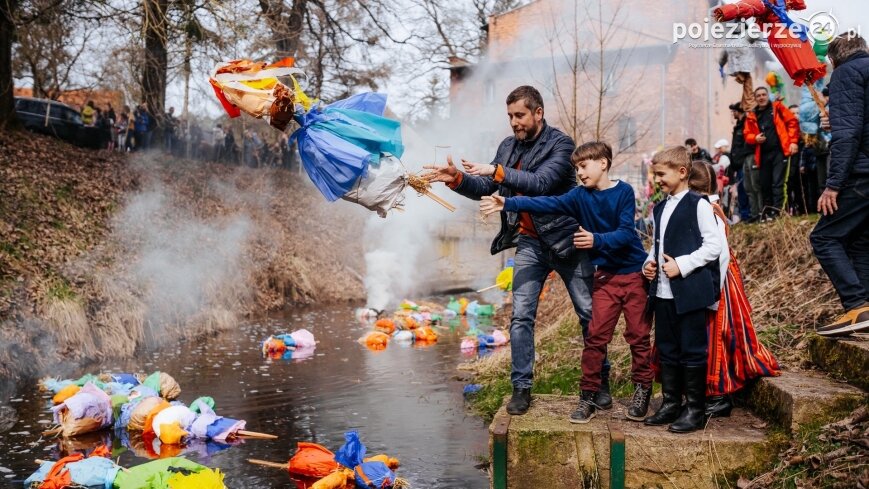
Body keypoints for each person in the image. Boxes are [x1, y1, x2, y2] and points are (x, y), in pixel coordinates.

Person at [423, 85, 601, 416]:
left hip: (568, 241)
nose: (514, 123)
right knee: (520, 317)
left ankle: (599, 383)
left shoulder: (561, 145)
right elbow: (489, 187)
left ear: (538, 113)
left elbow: (541, 183)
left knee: (588, 315)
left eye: (519, 115)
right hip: (530, 243)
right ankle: (521, 388)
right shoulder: (508, 146)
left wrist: (497, 171)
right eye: (510, 117)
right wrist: (458, 179)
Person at [480, 141, 653, 424]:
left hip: (633, 273)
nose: (580, 173)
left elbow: (625, 233)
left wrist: (596, 240)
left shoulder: (624, 192)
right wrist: (507, 202)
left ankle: (642, 389)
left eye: (584, 166)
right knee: (595, 336)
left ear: (603, 163)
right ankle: (588, 396)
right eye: (576, 168)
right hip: (606, 277)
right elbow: (547, 202)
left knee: (637, 335)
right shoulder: (578, 196)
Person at [687, 162, 781, 417]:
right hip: (706, 280)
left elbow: (721, 254)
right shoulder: (705, 207)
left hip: (716, 284)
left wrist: (714, 294)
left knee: (717, 337)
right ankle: (702, 393)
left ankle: (718, 395)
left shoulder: (708, 210)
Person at [642, 146, 722, 433]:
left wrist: (682, 264)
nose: (657, 180)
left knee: (692, 350)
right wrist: (648, 264)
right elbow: (657, 245)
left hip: (689, 292)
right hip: (663, 293)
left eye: (661, 174)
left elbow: (713, 246)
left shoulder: (699, 205)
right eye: (655, 174)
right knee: (667, 349)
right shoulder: (660, 208)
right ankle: (671, 403)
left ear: (682, 172)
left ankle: (695, 410)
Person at [810, 33, 869, 336]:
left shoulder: (845, 73)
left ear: (832, 60)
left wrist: (833, 185)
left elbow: (849, 135)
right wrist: (838, 119)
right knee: (860, 241)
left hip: (861, 176)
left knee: (824, 238)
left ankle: (856, 303)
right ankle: (865, 309)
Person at [744, 86, 800, 220]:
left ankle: (778, 212)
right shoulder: (752, 115)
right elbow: (747, 134)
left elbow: (792, 121)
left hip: (779, 152)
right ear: (755, 98)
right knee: (764, 184)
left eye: (764, 94)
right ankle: (767, 212)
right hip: (762, 154)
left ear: (767, 95)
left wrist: (793, 141)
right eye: (758, 96)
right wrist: (755, 138)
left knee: (778, 183)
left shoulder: (777, 108)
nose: (761, 97)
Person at [729, 102, 754, 222]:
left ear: (739, 111)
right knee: (742, 191)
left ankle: (748, 214)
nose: (732, 114)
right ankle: (745, 215)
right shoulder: (738, 125)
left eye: (733, 111)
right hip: (738, 164)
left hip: (744, 162)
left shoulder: (745, 124)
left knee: (746, 189)